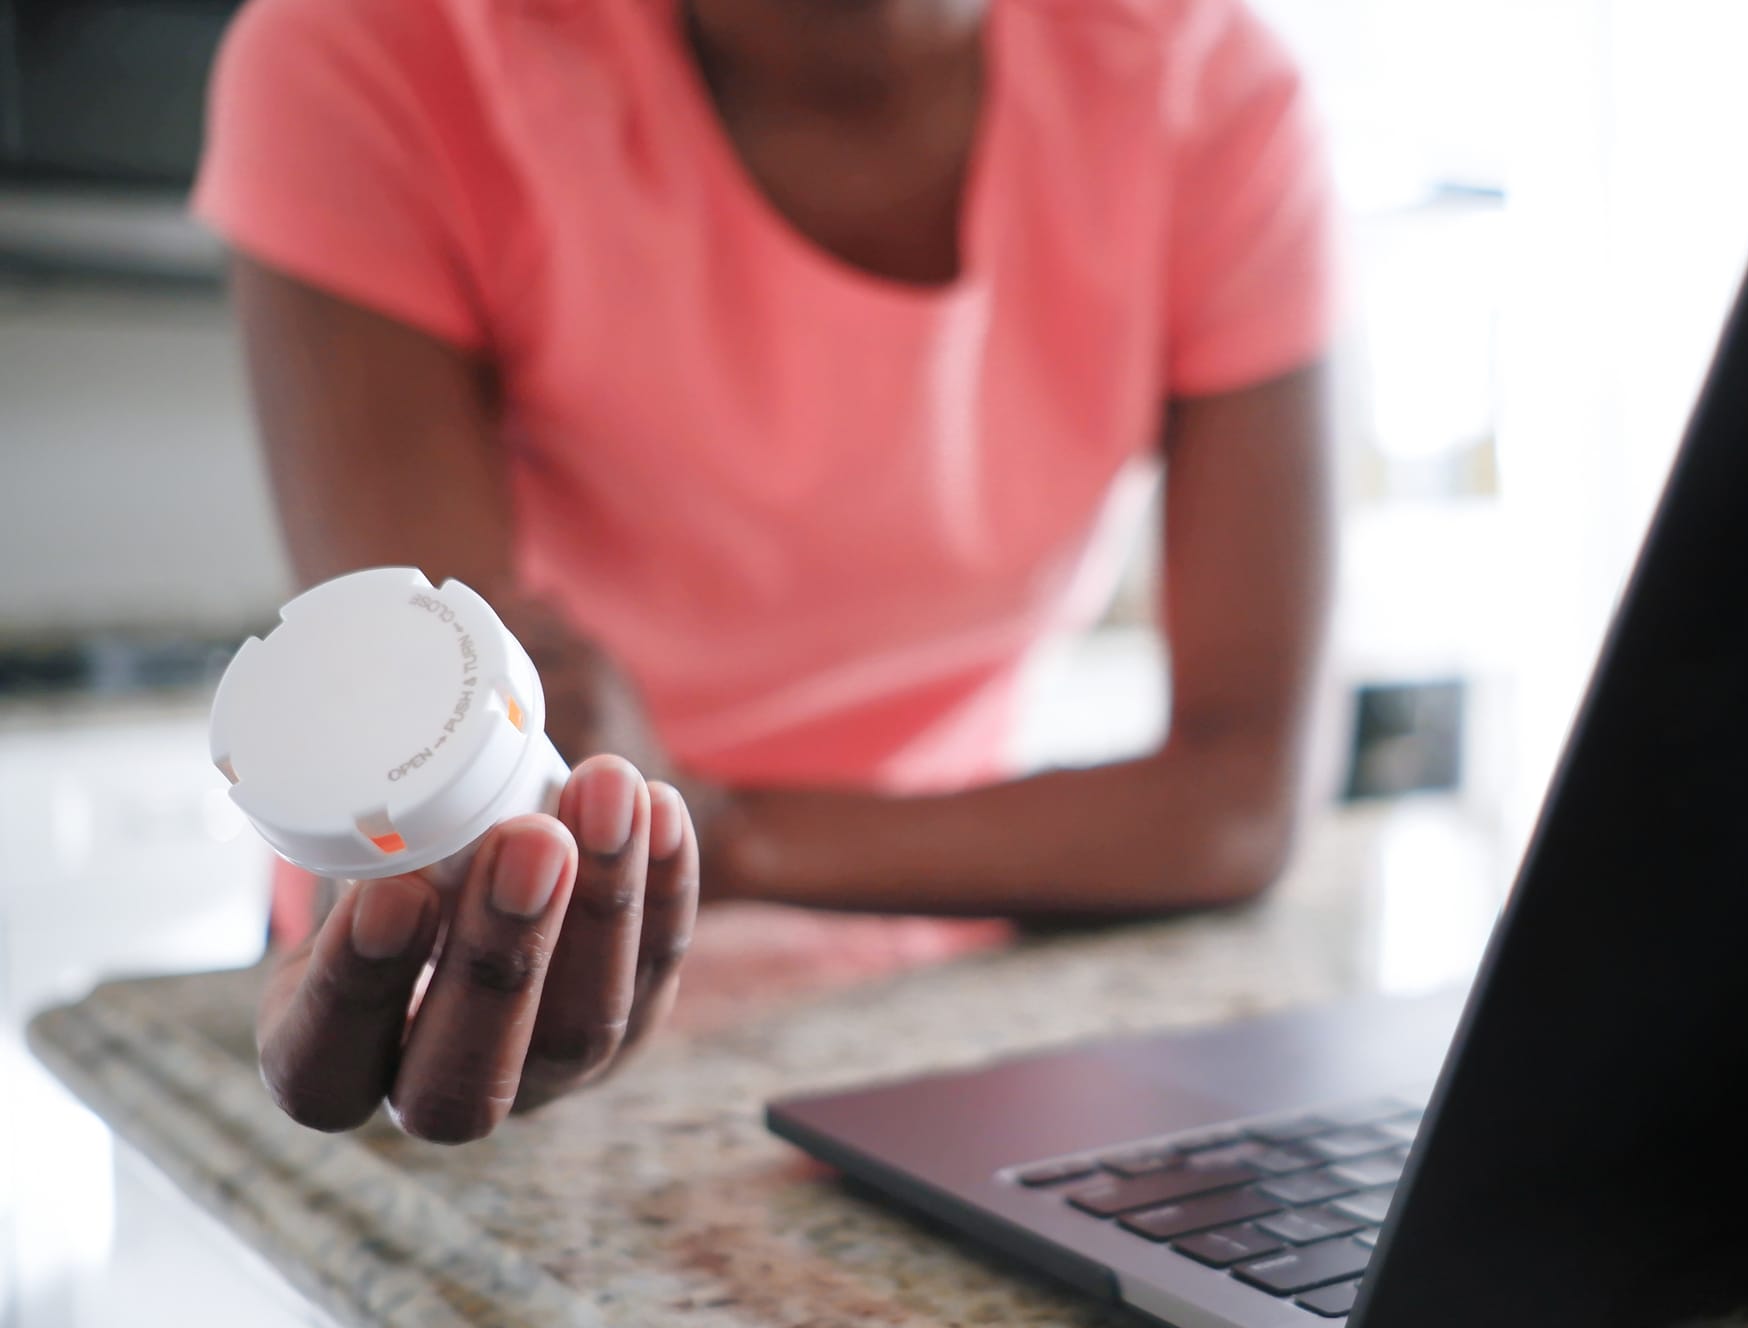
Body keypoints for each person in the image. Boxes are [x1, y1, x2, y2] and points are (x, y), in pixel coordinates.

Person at [198, 0, 1336, 1142]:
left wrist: (713, 832)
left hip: (918, 984)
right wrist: (565, 852)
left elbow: (1239, 799)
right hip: (489, 975)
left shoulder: (1211, 94)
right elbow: (443, 758)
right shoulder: (378, 46)